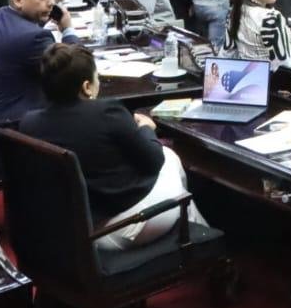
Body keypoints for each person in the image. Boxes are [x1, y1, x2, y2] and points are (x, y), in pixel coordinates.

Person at [19, 43, 205, 251]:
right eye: (97, 78)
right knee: (170, 158)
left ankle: (200, 235)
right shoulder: (106, 112)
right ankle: (202, 241)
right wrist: (146, 129)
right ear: (87, 87)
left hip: (67, 228)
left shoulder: (29, 123)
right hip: (120, 228)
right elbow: (154, 161)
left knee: (176, 186)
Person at [0, 0, 81, 129]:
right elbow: (76, 70)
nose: (51, 2)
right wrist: (67, 30)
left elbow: (23, 31)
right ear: (18, 0)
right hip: (17, 127)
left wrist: (44, 16)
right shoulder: (35, 38)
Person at [227, 0, 291, 69]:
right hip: (271, 77)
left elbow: (227, 53)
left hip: (244, 75)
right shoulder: (271, 18)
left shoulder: (234, 12)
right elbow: (285, 64)